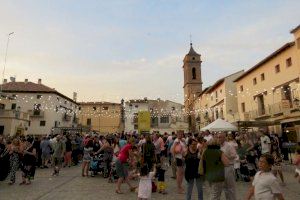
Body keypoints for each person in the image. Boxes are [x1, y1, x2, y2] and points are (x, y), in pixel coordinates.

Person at [218, 132, 237, 200]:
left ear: (224, 137)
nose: (219, 139)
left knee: (230, 188)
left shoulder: (229, 145)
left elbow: (234, 155)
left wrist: (225, 156)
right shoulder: (219, 146)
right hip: (221, 168)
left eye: (220, 137)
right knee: (225, 187)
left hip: (229, 167)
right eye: (218, 137)